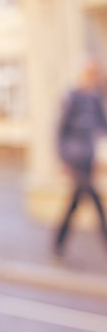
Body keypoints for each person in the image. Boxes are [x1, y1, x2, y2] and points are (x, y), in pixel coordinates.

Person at [53, 59, 107, 256]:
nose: (94, 77)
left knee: (75, 203)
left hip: (89, 158)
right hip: (75, 158)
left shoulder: (95, 99)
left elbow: (103, 126)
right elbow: (60, 130)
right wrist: (63, 158)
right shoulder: (72, 97)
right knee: (95, 200)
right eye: (91, 73)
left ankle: (58, 244)